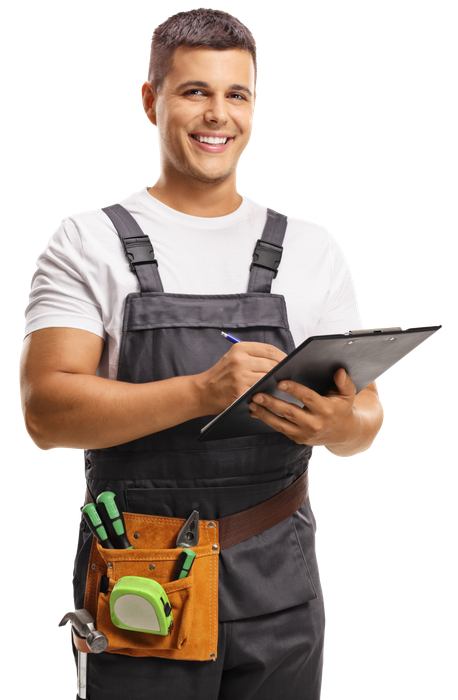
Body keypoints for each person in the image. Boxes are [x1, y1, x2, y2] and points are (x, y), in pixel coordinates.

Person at [19, 8, 384, 699]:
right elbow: (48, 412)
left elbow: (365, 417)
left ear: (253, 105)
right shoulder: (87, 241)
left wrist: (338, 427)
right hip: (144, 575)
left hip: (279, 575)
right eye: (194, 92)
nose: (217, 115)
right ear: (151, 100)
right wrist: (202, 392)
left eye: (235, 94)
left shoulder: (313, 247)